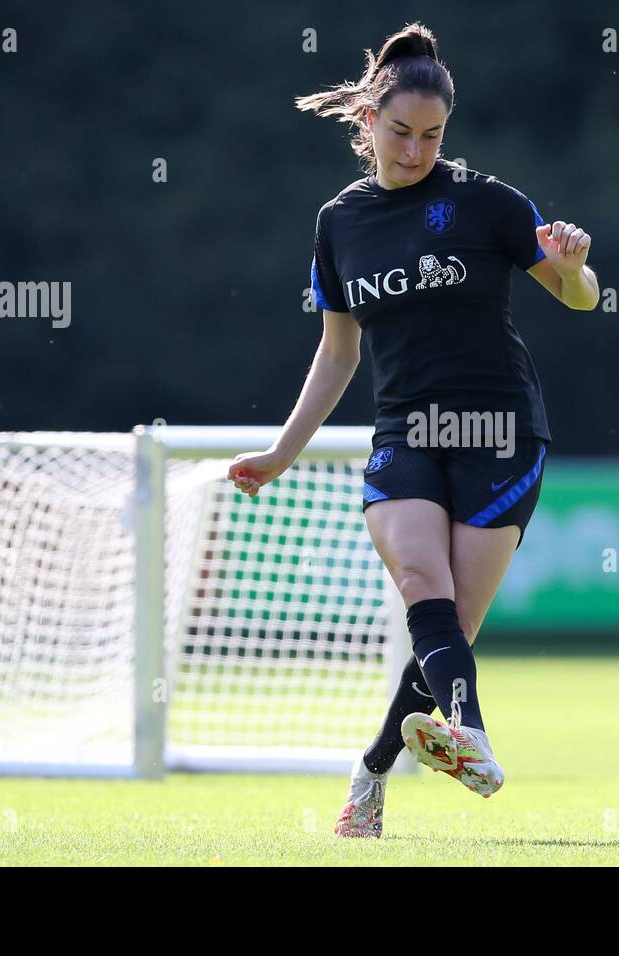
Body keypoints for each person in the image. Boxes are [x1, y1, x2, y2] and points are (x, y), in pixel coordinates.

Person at [228, 22, 598, 838]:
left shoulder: (490, 204)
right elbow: (336, 351)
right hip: (405, 430)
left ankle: (368, 775)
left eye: (432, 136)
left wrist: (572, 269)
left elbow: (580, 298)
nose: (414, 150)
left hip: (501, 430)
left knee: (451, 630)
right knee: (423, 590)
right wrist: (281, 453)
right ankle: (472, 733)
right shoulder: (339, 223)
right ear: (369, 121)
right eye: (399, 131)